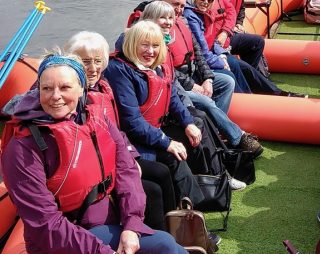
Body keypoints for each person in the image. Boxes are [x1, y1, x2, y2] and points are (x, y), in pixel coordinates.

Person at [0, 51, 186, 253]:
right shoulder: (23, 146)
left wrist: (132, 225)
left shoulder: (96, 118)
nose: (55, 96)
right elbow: (44, 221)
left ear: (81, 88)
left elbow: (126, 168)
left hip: (106, 220)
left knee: (165, 243)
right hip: (65, 237)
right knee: (165, 246)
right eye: (46, 88)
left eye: (65, 87)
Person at [64, 31, 178, 231]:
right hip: (95, 170)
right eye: (85, 62)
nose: (92, 68)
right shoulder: (72, 99)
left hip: (113, 157)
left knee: (161, 172)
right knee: (151, 190)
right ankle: (157, 238)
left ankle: (175, 229)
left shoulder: (102, 88)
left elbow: (116, 132)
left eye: (97, 61)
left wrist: (131, 157)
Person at [140, 1, 264, 157]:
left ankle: (217, 133)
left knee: (227, 81)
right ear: (150, 18)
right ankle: (237, 137)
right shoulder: (148, 45)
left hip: (184, 81)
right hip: (175, 89)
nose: (169, 21)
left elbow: (198, 54)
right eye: (163, 17)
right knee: (206, 102)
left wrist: (208, 78)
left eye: (170, 17)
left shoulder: (172, 32)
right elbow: (171, 78)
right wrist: (193, 86)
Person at [104, 21, 205, 206]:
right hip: (133, 141)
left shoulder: (157, 67)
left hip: (151, 132)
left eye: (155, 46)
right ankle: (188, 214)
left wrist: (188, 122)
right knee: (173, 157)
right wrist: (167, 142)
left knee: (197, 127)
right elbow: (132, 122)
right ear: (132, 44)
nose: (150, 51)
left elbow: (172, 97)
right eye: (144, 44)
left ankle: (201, 190)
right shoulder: (119, 70)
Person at [183, 0, 304, 97]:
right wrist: (220, 60)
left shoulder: (204, 12)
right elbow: (202, 47)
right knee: (235, 66)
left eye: (210, 0)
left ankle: (268, 92)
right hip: (206, 58)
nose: (205, 2)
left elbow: (229, 15)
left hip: (215, 51)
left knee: (246, 62)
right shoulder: (192, 17)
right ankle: (249, 98)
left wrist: (222, 53)